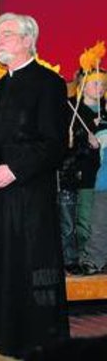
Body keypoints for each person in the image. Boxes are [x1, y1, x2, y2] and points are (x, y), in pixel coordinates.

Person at [0, 13, 70, 358]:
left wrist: (16, 169)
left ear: (28, 40)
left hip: (30, 191)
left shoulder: (50, 83)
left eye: (7, 34)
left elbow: (55, 144)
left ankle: (33, 338)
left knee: (28, 263)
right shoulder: (0, 86)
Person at [68, 69, 103, 275]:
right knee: (85, 218)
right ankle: (85, 257)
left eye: (103, 84)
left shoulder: (105, 110)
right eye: (95, 83)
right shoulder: (73, 108)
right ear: (82, 86)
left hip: (103, 171)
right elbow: (69, 143)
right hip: (84, 171)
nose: (101, 88)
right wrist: (87, 141)